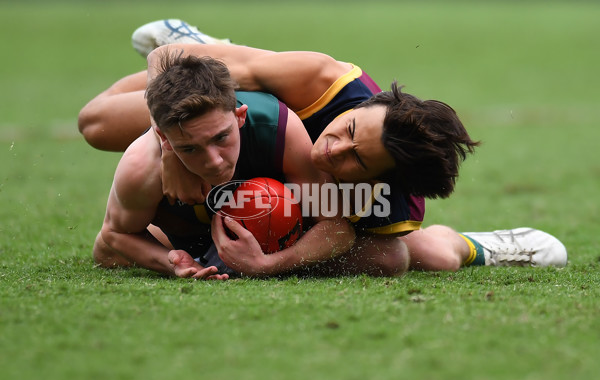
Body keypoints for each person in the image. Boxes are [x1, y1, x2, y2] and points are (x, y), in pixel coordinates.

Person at [79, 20, 568, 272]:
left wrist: (272, 263)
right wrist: (168, 147)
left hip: (297, 196)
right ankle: (212, 49)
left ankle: (483, 246)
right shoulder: (321, 81)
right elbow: (165, 57)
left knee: (407, 258)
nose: (333, 149)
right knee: (97, 124)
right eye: (350, 129)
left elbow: (341, 229)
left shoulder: (389, 200)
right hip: (230, 114)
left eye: (356, 161)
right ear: (362, 105)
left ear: (378, 179)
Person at [93, 53, 358, 279]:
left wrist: (269, 265)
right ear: (165, 139)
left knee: (388, 259)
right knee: (105, 252)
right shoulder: (141, 166)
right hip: (192, 231)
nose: (214, 161)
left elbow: (336, 227)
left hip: (284, 227)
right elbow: (115, 233)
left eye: (221, 138)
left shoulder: (279, 128)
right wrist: (171, 261)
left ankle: (200, 54)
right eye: (190, 148)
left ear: (240, 116)